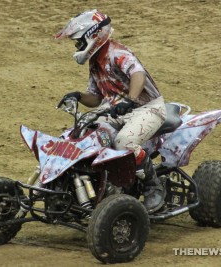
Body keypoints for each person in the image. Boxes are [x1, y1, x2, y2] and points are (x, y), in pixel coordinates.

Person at [55, 9, 167, 213]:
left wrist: (131, 100)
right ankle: (108, 187)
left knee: (124, 142)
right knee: (89, 135)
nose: (77, 46)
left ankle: (153, 187)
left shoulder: (117, 53)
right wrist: (78, 96)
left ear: (92, 36)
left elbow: (138, 74)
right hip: (118, 110)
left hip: (147, 108)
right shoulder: (95, 62)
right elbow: (95, 97)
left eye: (79, 41)